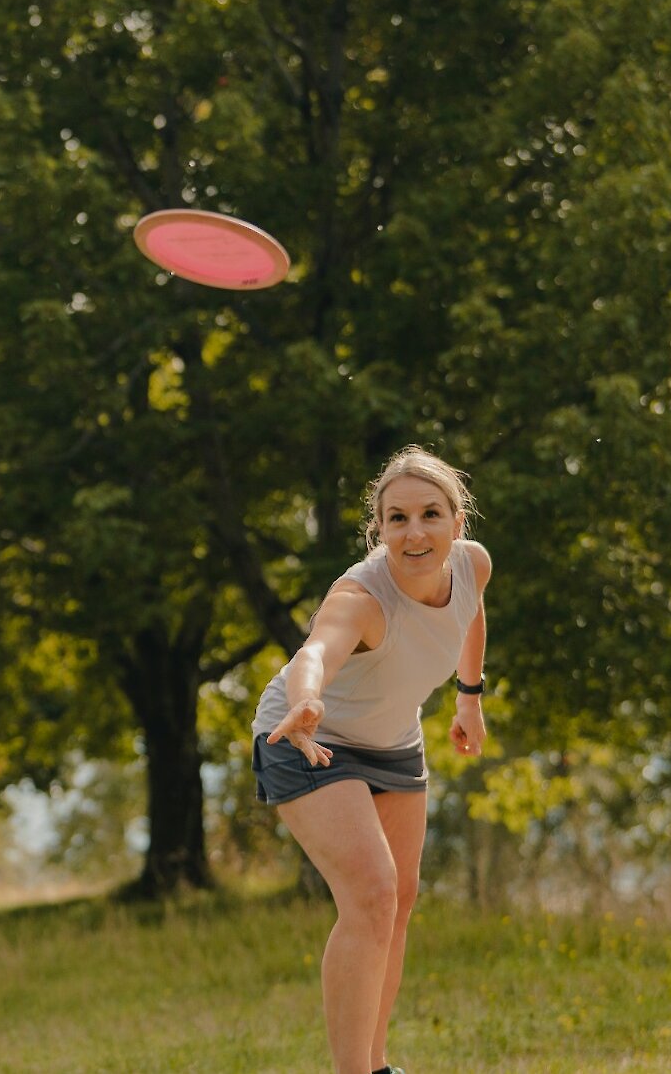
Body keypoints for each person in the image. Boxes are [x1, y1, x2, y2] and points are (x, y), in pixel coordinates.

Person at [253, 446, 491, 1074]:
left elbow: (470, 616)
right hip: (307, 737)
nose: (415, 532)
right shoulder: (361, 595)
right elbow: (314, 654)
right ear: (378, 530)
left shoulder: (472, 566)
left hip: (392, 740)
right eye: (397, 519)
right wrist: (305, 702)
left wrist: (469, 697)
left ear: (457, 522)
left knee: (400, 898)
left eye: (430, 515)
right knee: (371, 893)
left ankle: (377, 1064)